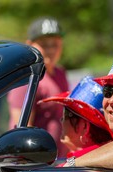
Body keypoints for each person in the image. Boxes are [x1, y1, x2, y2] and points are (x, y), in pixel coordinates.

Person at [7, 17, 69, 158]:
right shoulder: (26, 78)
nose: (51, 50)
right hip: (36, 163)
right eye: (44, 44)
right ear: (30, 45)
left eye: (55, 44)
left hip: (59, 163)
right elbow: (21, 131)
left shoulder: (60, 73)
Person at [38, 76, 113, 166]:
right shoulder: (112, 157)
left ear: (84, 126)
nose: (61, 120)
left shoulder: (68, 171)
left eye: (66, 114)